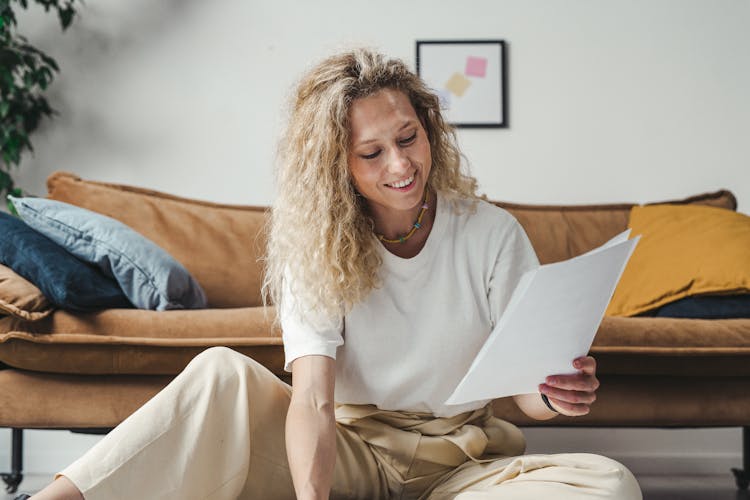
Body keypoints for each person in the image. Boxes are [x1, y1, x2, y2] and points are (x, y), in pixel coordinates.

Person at [25, 48, 642, 500]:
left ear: (429, 130)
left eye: (409, 137)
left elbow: (527, 394)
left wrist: (557, 395)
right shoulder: (316, 246)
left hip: (463, 468)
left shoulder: (491, 233)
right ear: (336, 165)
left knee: (610, 484)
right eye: (372, 153)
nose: (401, 165)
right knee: (220, 371)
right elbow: (314, 400)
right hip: (349, 455)